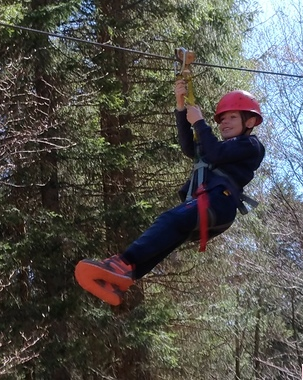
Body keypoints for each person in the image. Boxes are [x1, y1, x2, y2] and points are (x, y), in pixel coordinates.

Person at [74, 80, 266, 306]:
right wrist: (181, 106)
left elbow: (214, 153)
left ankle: (122, 263)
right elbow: (189, 147)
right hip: (210, 205)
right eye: (222, 119)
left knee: (169, 219)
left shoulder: (251, 145)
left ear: (250, 121)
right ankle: (123, 279)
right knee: (169, 238)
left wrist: (201, 122)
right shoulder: (221, 148)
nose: (224, 123)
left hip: (218, 203)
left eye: (232, 117)